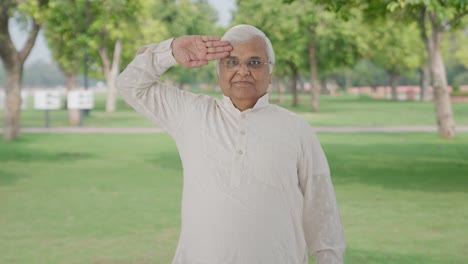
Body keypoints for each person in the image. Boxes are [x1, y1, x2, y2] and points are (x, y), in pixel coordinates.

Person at [116, 24, 345, 264]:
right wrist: (171, 50)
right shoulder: (191, 114)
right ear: (219, 72)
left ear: (270, 73)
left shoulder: (297, 130)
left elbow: (322, 212)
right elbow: (129, 84)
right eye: (231, 62)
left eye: (254, 63)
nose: (242, 71)